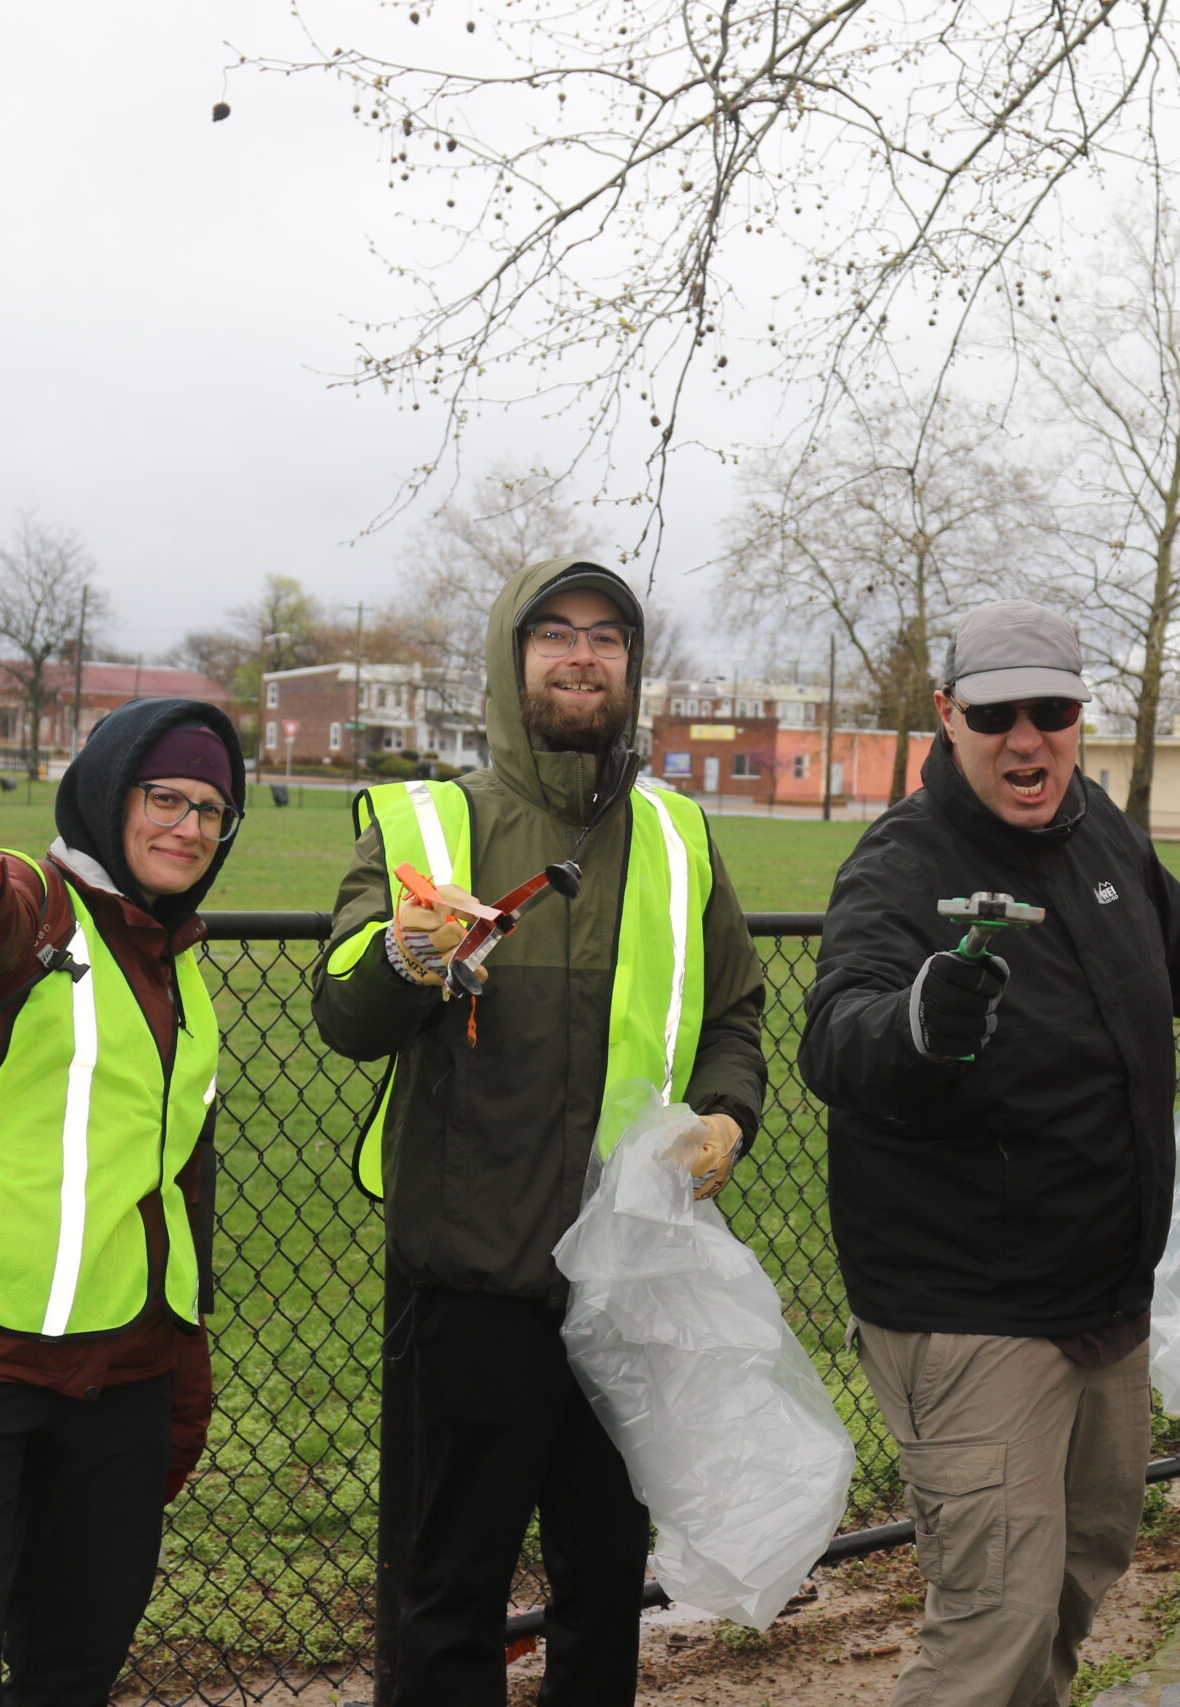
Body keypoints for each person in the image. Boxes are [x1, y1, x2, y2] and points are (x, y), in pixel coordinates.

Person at [799, 599, 1180, 1707]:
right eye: (996, 716)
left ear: (1082, 716)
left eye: (1053, 711)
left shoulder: (1100, 830)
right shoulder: (902, 864)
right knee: (993, 1625)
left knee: (1078, 1577)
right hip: (970, 1310)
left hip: (1104, 1300)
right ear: (947, 714)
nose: (1026, 739)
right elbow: (836, 1035)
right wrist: (919, 1021)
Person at [310, 558, 767, 1707]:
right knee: (446, 1593)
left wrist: (727, 1113)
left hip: (630, 1286)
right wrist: (404, 957)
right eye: (554, 632)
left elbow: (734, 1014)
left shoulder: (677, 832)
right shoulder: (430, 821)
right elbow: (346, 1014)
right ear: (510, 658)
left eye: (607, 636)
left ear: (632, 665)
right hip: (472, 1281)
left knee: (607, 1587)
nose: (581, 655)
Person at [0, 697, 246, 1707]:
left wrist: (179, 1362)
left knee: (75, 1669)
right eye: (164, 798)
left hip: (119, 1369)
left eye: (211, 809)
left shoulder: (177, 963)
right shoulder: (38, 903)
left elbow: (167, 1185)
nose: (189, 827)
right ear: (110, 793)